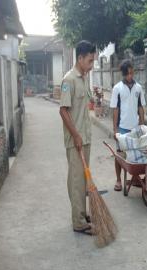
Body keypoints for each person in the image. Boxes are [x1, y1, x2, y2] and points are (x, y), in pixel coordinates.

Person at [59, 40, 96, 235]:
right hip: (76, 141)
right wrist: (75, 135)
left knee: (82, 179)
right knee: (76, 180)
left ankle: (81, 213)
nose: (91, 66)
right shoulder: (69, 80)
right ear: (80, 58)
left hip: (85, 138)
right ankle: (79, 222)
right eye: (89, 61)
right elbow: (63, 111)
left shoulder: (83, 78)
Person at [110, 60, 146, 191]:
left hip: (135, 127)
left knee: (136, 154)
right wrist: (115, 130)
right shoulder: (117, 88)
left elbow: (141, 107)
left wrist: (142, 126)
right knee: (119, 154)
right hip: (122, 127)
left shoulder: (138, 88)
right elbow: (115, 110)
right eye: (128, 73)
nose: (131, 76)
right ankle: (119, 180)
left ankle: (135, 177)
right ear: (124, 74)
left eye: (132, 73)